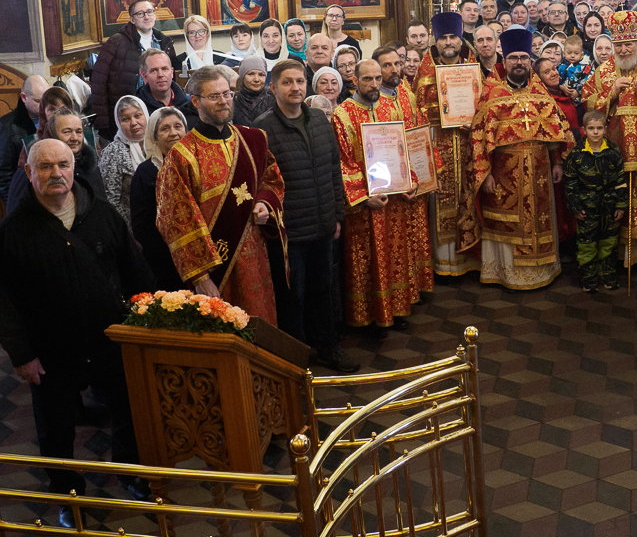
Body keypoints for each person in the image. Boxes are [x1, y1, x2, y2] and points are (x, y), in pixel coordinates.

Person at [0, 139, 156, 517]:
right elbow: (3, 302)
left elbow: (136, 273)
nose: (56, 173)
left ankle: (132, 475)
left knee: (129, 411)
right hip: (51, 349)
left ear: (75, 167)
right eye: (46, 167)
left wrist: (148, 325)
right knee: (55, 428)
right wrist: (21, 355)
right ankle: (67, 492)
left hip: (110, 339)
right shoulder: (14, 230)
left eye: (63, 165)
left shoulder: (102, 214)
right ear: (30, 173)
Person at [156, 66, 286, 324]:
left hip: (257, 259)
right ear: (196, 101)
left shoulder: (253, 139)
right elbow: (175, 221)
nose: (224, 101)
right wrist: (201, 277)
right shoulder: (182, 155)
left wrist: (263, 204)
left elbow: (271, 179)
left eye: (227, 94)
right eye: (214, 96)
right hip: (217, 268)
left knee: (262, 327)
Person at [256, 60, 357, 372]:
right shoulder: (263, 128)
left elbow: (332, 171)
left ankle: (328, 348)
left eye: (299, 81)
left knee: (324, 291)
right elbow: (261, 182)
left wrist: (337, 216)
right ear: (273, 88)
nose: (295, 88)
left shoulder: (319, 121)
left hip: (324, 223)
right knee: (293, 297)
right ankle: (296, 359)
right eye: (287, 82)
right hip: (289, 232)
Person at [332, 59, 432, 333]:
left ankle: (397, 306)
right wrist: (364, 197)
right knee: (366, 259)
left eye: (378, 78)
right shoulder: (343, 115)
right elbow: (343, 162)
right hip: (366, 204)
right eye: (368, 79)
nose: (375, 84)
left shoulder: (390, 107)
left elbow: (403, 150)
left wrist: (411, 180)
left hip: (395, 199)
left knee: (396, 253)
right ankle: (369, 316)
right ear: (355, 78)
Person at [472, 28, 575, 290]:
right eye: (513, 58)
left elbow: (555, 131)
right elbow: (480, 137)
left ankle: (542, 271)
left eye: (524, 58)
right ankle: (505, 274)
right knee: (507, 224)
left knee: (539, 219)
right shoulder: (491, 92)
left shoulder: (541, 93)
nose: (519, 63)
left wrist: (557, 162)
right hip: (503, 172)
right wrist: (486, 174)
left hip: (539, 167)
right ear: (504, 61)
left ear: (530, 61)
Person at [582, 11, 637, 268]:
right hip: (614, 146)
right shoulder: (603, 71)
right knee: (617, 195)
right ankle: (618, 254)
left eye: (629, 43)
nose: (624, 49)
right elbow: (587, 103)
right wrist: (610, 94)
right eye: (619, 45)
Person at [414, 13, 482, 277]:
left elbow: (484, 106)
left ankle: (469, 259)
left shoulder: (472, 69)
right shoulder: (424, 74)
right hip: (437, 143)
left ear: (460, 38)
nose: (449, 42)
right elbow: (417, 112)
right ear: (436, 41)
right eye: (443, 38)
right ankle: (443, 265)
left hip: (467, 144)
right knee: (439, 201)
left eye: (453, 36)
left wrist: (473, 121)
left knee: (468, 198)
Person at [91, 0, 181, 140]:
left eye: (149, 12)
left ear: (155, 15)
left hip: (156, 113)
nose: (146, 16)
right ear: (132, 19)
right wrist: (102, 122)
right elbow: (98, 81)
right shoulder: (116, 42)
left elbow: (172, 80)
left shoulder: (164, 42)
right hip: (126, 116)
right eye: (140, 13)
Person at [563, 110, 628, 292]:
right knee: (587, 244)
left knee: (609, 243)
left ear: (605, 129)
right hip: (586, 208)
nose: (596, 132)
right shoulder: (576, 154)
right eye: (591, 128)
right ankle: (589, 278)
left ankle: (608, 275)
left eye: (600, 128)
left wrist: (621, 205)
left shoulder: (613, 152)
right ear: (584, 130)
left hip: (609, 207)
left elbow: (621, 181)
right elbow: (570, 184)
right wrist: (576, 206)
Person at [129, 107, 188, 291]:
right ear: (154, 137)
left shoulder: (198, 163)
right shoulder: (145, 172)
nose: (173, 133)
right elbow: (142, 226)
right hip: (165, 259)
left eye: (178, 126)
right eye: (165, 129)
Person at [99, 95, 148, 225]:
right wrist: (128, 234)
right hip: (130, 226)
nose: (133, 122)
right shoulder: (113, 152)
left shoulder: (157, 144)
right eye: (126, 119)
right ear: (118, 123)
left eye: (138, 116)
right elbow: (111, 200)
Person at [0, 75, 48, 195]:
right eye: (38, 101)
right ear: (24, 97)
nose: (44, 106)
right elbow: (4, 175)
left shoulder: (52, 119)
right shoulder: (7, 126)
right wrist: (14, 204)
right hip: (24, 194)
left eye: (46, 100)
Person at [136, 48, 199, 129]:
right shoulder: (137, 110)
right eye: (154, 70)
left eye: (164, 69)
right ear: (144, 75)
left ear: (172, 72)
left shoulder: (192, 105)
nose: (160, 75)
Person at [232, 56, 275, 126]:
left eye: (261, 75)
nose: (256, 79)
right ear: (242, 77)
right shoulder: (233, 101)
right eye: (251, 74)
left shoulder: (275, 99)